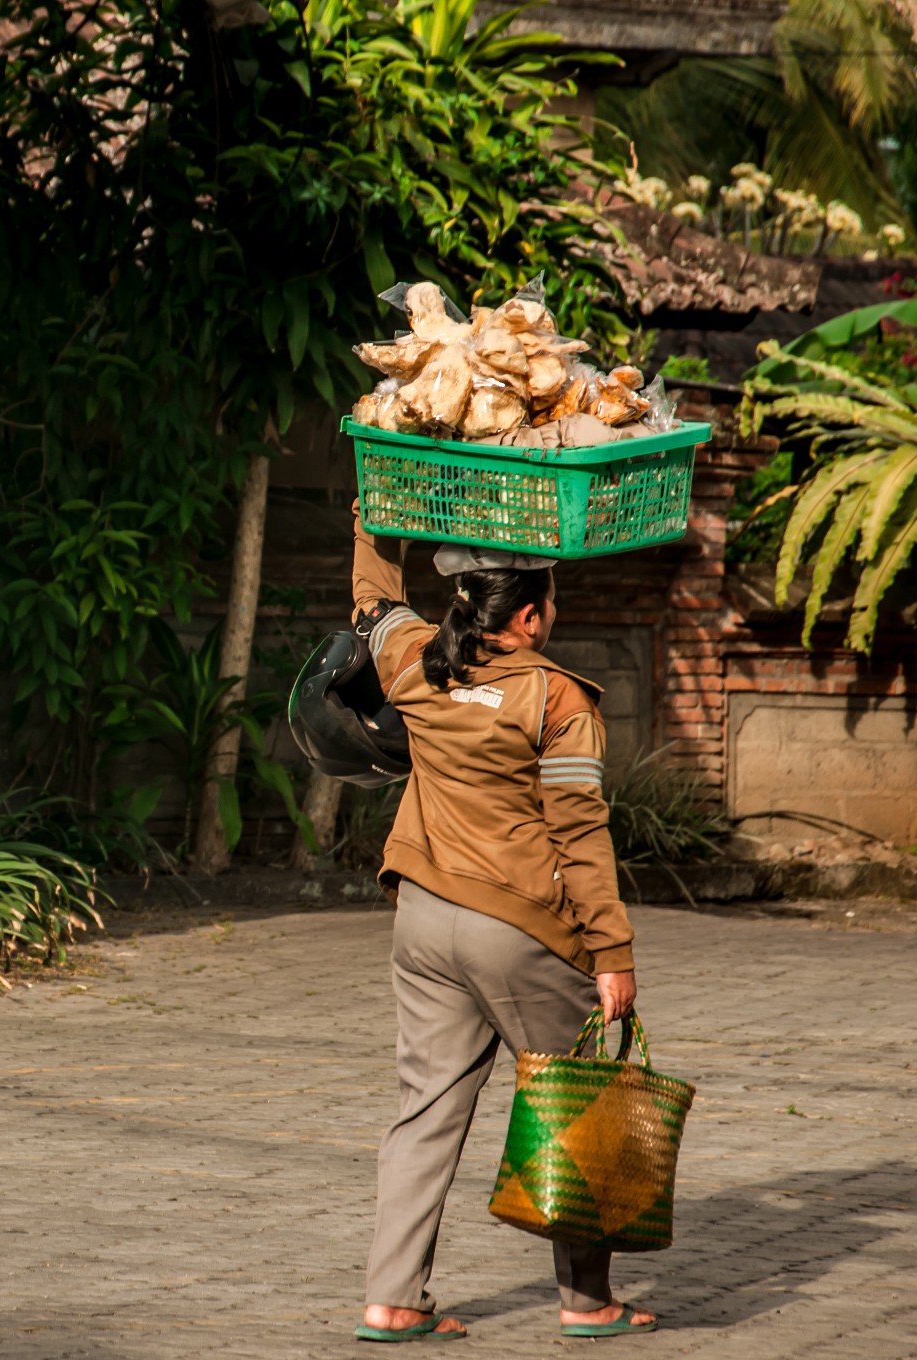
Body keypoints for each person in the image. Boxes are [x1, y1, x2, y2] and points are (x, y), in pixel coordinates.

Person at [347, 507, 658, 1343]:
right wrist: (612, 952)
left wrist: (374, 512)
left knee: (426, 1106)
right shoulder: (557, 699)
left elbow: (374, 600)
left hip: (422, 918)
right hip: (517, 931)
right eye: (547, 601)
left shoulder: (418, 662)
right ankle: (588, 1302)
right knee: (576, 1106)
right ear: (529, 616)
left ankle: (391, 1298)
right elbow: (582, 835)